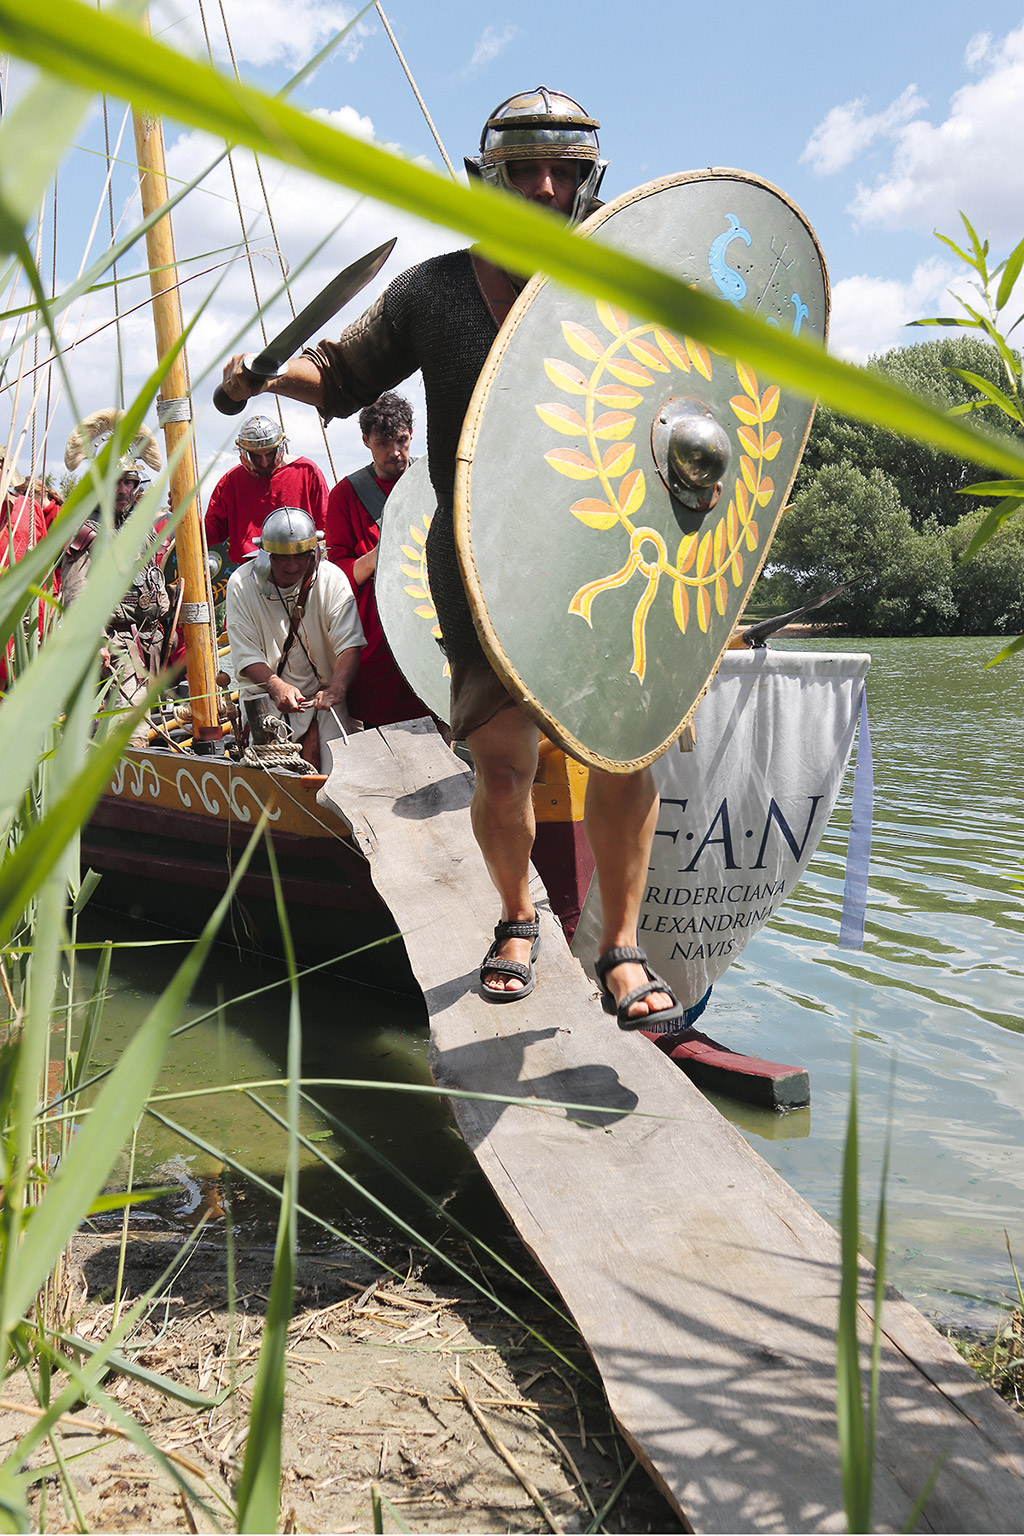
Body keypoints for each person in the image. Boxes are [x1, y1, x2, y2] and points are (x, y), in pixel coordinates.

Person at [220, 87, 683, 1028]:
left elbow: (690, 410)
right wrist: (268, 371)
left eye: (561, 170)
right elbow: (345, 374)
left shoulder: (626, 287)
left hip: (609, 552)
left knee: (626, 758)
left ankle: (621, 947)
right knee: (502, 765)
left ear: (589, 180)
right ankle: (518, 918)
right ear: (491, 179)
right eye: (524, 169)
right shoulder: (433, 292)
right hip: (479, 560)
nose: (544, 186)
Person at [225, 506, 364, 772]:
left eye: (301, 556)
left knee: (336, 778)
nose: (293, 565)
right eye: (283, 558)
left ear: (314, 552)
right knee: (272, 785)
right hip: (264, 701)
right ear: (266, 555)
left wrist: (337, 689)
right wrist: (276, 686)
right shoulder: (241, 584)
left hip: (326, 703)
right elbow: (246, 654)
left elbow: (349, 643)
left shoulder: (332, 579)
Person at [325, 391, 429, 727]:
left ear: (412, 434)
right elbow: (336, 574)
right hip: (378, 638)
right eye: (384, 443)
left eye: (401, 440)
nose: (395, 453)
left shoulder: (432, 480)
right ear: (366, 440)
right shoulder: (345, 495)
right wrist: (376, 557)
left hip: (432, 628)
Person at [59, 460, 175, 742]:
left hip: (148, 645)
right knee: (128, 731)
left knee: (135, 724)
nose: (124, 490)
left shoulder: (136, 526)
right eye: (117, 482)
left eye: (130, 483)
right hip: (116, 643)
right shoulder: (88, 530)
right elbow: (77, 591)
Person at [204, 415, 328, 566]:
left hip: (300, 564)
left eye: (269, 454)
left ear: (279, 448)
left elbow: (326, 524)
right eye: (256, 456)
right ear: (245, 454)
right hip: (249, 569)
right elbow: (212, 533)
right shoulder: (231, 481)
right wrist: (183, 515)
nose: (264, 462)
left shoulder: (307, 471)